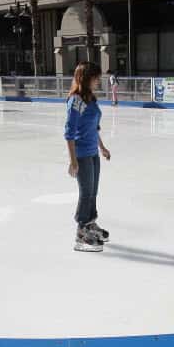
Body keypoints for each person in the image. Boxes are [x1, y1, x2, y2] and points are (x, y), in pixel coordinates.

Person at [65, 61, 112, 253]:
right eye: (95, 77)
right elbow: (69, 132)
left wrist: (102, 147)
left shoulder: (90, 98)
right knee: (85, 193)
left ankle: (90, 223)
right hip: (82, 154)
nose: (98, 81)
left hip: (93, 152)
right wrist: (73, 160)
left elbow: (94, 127)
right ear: (86, 78)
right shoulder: (76, 100)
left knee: (93, 191)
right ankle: (81, 231)